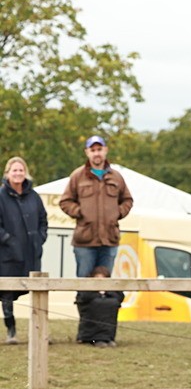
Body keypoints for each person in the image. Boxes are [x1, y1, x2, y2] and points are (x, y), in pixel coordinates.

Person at [58, 135, 133, 277]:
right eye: (93, 150)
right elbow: (65, 202)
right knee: (84, 285)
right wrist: (80, 212)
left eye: (99, 149)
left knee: (105, 286)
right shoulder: (77, 176)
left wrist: (118, 213)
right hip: (85, 241)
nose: (96, 153)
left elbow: (127, 200)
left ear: (106, 150)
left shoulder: (116, 177)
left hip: (109, 240)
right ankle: (82, 300)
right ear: (87, 152)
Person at [0, 157, 48, 344]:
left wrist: (39, 238)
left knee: (37, 291)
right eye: (14, 170)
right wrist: (7, 240)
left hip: (31, 253)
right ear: (8, 173)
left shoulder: (34, 196)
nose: (18, 173)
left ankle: (40, 331)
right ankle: (11, 331)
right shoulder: (1, 196)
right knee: (7, 294)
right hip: (7, 255)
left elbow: (43, 220)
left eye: (21, 170)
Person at [75, 265, 124, 346]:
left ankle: (108, 338)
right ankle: (96, 339)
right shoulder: (86, 292)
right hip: (90, 332)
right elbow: (84, 298)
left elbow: (120, 297)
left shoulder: (113, 291)